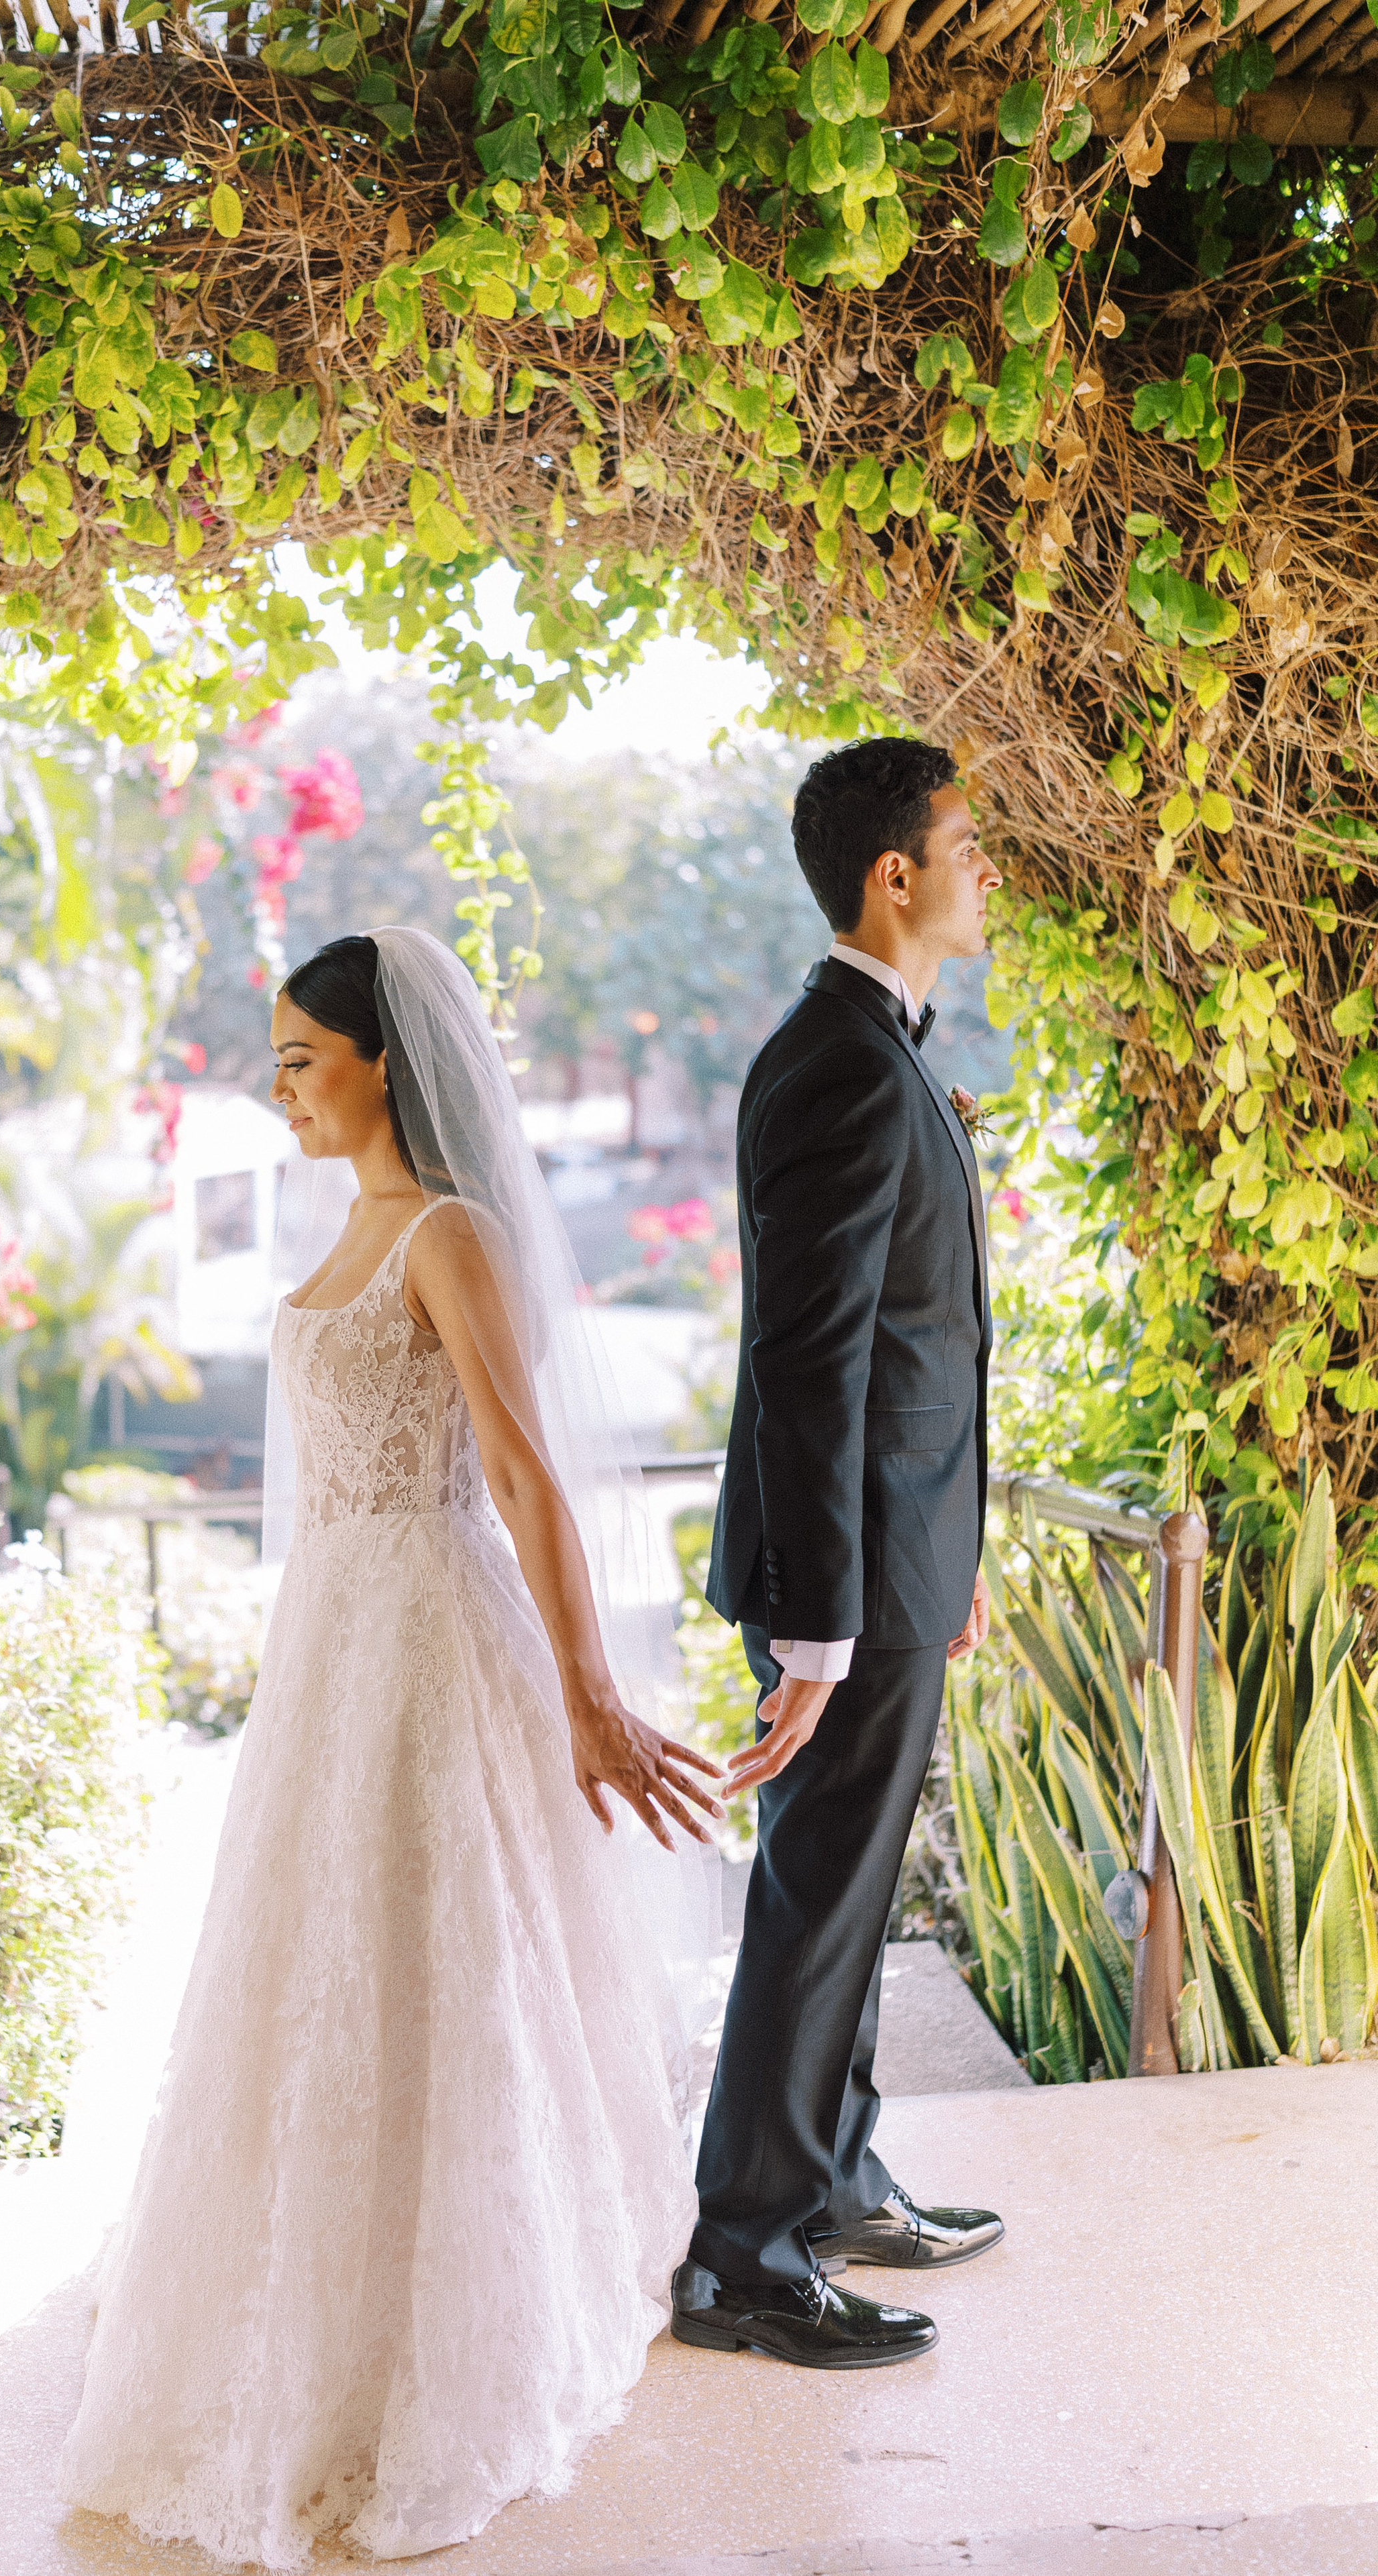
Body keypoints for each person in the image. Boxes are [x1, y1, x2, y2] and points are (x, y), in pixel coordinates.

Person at [59, 926, 721, 2569]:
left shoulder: (445, 1231)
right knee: (317, 1973)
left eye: (301, 1060)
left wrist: (585, 1693)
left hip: (431, 1632)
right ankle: (315, 2324)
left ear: (381, 1062)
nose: (278, 1088)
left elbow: (522, 1471)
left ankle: (448, 2332)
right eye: (276, 1062)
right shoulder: (346, 1224)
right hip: (329, 1650)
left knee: (444, 1968)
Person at [672, 738, 1006, 2372]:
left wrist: (948, 1554)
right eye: (964, 841)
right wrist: (818, 1629)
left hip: (890, 1561)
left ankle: (839, 2181)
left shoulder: (873, 1050)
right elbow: (808, 1363)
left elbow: (909, 1349)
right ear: (894, 874)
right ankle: (743, 2252)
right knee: (814, 1904)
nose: (985, 868)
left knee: (848, 1895)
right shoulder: (838, 1065)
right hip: (842, 1583)